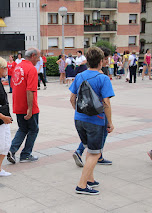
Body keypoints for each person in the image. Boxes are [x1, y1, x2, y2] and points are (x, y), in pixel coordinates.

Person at [69, 47, 114, 195]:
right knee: (95, 153)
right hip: (96, 120)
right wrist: (110, 122)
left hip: (79, 119)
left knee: (90, 148)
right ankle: (82, 185)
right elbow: (106, 103)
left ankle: (90, 179)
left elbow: (72, 98)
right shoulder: (103, 78)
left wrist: (80, 112)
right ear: (101, 61)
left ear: (87, 61)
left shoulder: (79, 76)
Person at [7, 48, 40, 164]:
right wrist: (30, 109)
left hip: (18, 104)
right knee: (34, 129)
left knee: (23, 128)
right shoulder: (31, 69)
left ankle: (12, 150)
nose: (39, 59)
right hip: (28, 106)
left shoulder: (18, 67)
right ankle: (26, 155)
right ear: (33, 56)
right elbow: (30, 90)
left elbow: (13, 84)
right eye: (38, 56)